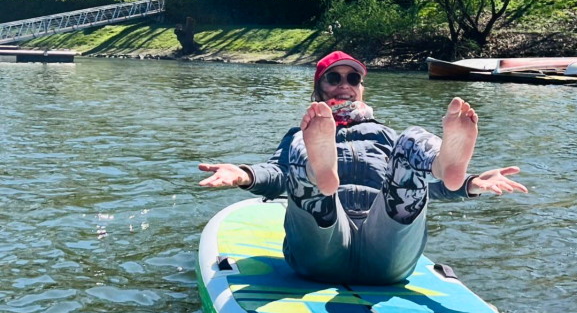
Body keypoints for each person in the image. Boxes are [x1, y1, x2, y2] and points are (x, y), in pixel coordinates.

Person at [198, 51, 527, 284]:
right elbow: (281, 175)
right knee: (302, 149)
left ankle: (447, 163)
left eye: (352, 77)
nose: (345, 83)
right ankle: (320, 173)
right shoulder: (303, 133)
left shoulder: (384, 134)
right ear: (319, 88)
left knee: (411, 140)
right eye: (334, 77)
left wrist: (469, 183)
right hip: (321, 244)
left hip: (386, 245)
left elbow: (416, 189)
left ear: (361, 87)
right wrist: (244, 174)